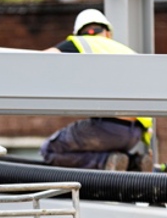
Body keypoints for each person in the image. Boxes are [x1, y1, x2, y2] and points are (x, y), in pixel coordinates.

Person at [40, 9, 153, 171]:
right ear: (107, 33)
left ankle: (105, 162)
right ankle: (135, 163)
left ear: (79, 33)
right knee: (107, 150)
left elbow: (40, 60)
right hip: (135, 134)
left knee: (50, 149)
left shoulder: (81, 43)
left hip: (106, 128)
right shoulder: (126, 51)